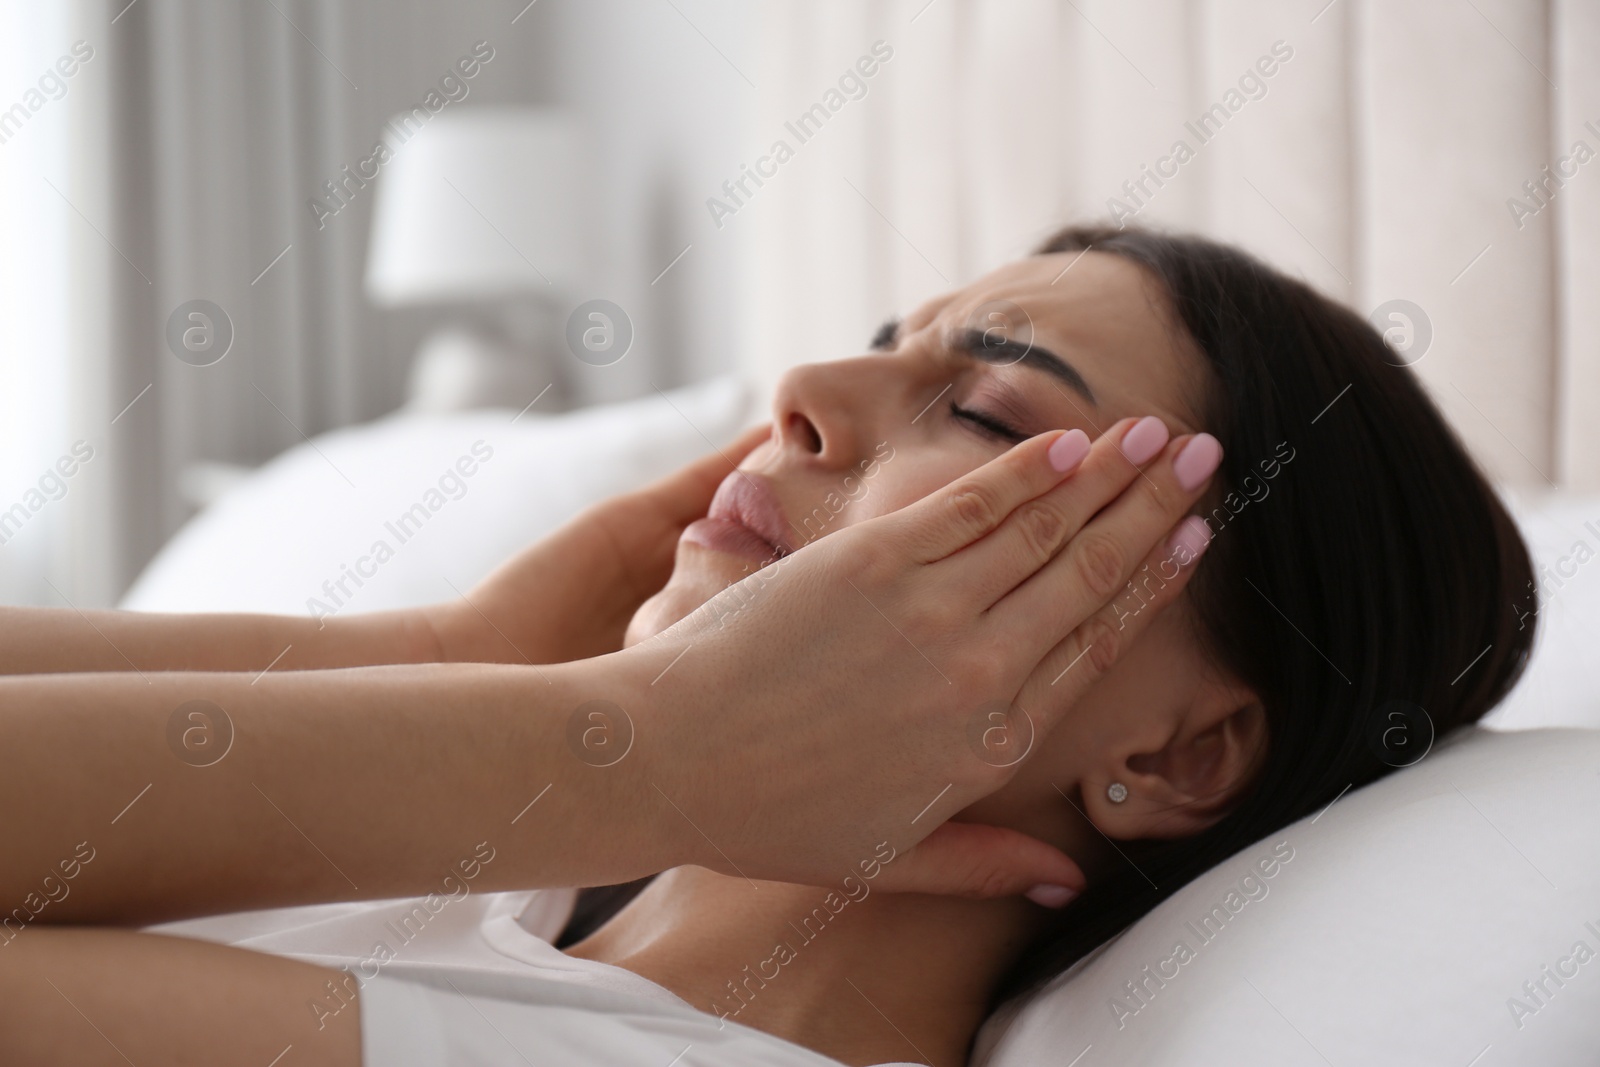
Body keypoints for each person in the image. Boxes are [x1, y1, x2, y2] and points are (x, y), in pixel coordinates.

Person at [0, 225, 1533, 1067]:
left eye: (991, 411)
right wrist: (452, 652)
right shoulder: (496, 882)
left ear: (1179, 750)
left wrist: (635, 748)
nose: (799, 383)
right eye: (881, 346)